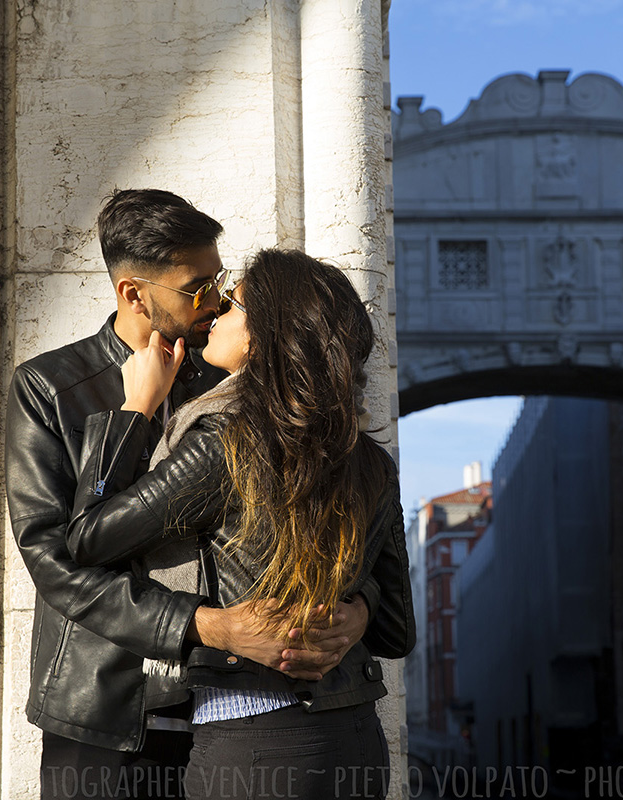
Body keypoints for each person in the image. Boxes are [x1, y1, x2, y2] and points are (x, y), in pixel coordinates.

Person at [5, 191, 376, 800]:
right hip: (107, 708)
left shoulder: (242, 376)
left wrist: (356, 608)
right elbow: (55, 560)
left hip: (236, 709)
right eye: (196, 287)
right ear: (134, 293)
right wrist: (207, 626)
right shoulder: (51, 387)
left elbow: (338, 520)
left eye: (220, 281)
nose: (218, 301)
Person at [64, 249, 416, 800]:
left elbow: (88, 537)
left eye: (232, 306)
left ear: (261, 336)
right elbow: (396, 629)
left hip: (256, 745)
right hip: (358, 742)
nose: (216, 314)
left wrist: (134, 411)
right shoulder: (370, 460)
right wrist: (356, 610)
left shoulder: (225, 443)